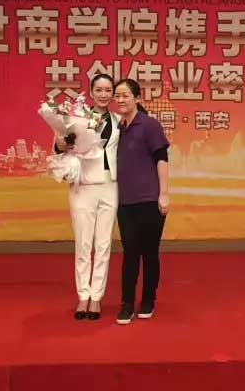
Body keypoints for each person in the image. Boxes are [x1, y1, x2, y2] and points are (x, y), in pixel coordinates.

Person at [55, 74, 119, 320]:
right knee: (83, 243)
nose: (104, 94)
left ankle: (96, 297)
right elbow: (60, 144)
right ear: (91, 92)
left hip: (110, 185)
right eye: (99, 90)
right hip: (82, 185)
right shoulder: (78, 117)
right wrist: (61, 142)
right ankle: (83, 295)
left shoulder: (119, 121)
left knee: (103, 244)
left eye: (108, 90)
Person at [113, 79, 170, 325]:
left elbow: (162, 158)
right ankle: (127, 303)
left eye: (125, 95)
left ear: (137, 98)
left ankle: (148, 299)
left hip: (149, 200)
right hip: (125, 203)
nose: (120, 100)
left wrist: (164, 193)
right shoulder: (118, 128)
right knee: (130, 254)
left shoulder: (149, 125)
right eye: (117, 95)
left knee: (149, 253)